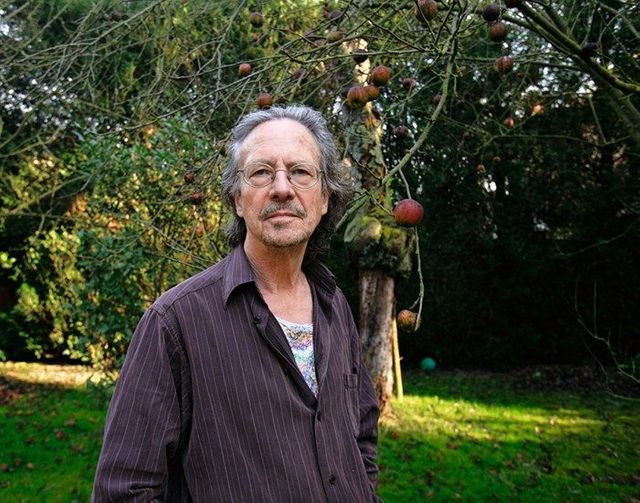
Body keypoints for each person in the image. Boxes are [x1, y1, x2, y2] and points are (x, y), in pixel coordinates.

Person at [92, 105, 381, 502]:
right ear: (237, 200)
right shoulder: (174, 323)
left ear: (325, 197)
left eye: (300, 171)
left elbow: (361, 431)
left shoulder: (334, 305)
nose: (282, 188)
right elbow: (125, 491)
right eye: (261, 172)